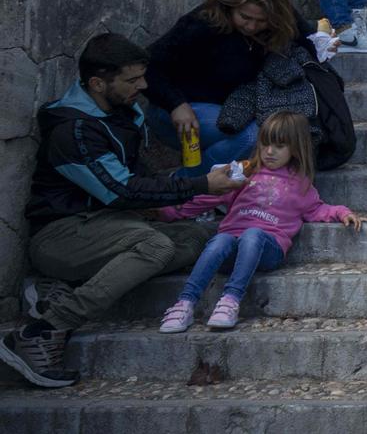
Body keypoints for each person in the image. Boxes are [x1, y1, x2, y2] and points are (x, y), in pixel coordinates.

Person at [4, 34, 245, 388]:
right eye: (132, 80)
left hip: (108, 226)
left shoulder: (121, 112)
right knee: (155, 247)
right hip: (61, 236)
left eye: (142, 76)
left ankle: (63, 288)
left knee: (199, 236)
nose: (144, 86)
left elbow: (137, 176)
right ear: (98, 83)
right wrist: (201, 185)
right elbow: (121, 190)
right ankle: (46, 328)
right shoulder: (74, 130)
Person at [153, 111, 359, 333]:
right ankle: (184, 303)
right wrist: (167, 212)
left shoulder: (301, 185)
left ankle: (230, 300)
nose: (269, 152)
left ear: (295, 148)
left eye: (279, 146)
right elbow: (208, 198)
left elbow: (318, 209)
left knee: (253, 234)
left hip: (267, 249)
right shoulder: (245, 173)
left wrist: (342, 212)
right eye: (265, 144)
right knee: (220, 239)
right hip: (231, 248)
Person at [144, 0, 317, 167]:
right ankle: (186, 185)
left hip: (234, 109)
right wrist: (176, 104)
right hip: (178, 112)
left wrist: (323, 43)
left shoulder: (275, 24)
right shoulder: (201, 24)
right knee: (254, 137)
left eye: (261, 21)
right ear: (230, 7)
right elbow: (148, 65)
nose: (251, 27)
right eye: (245, 17)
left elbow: (309, 40)